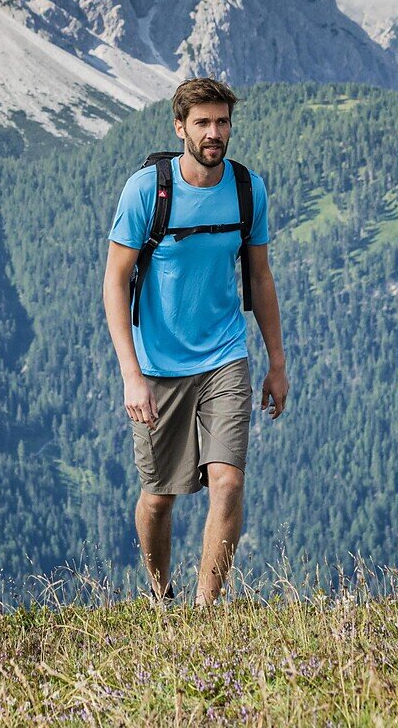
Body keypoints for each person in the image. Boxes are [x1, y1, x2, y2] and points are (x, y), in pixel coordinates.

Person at [102, 77, 288, 606]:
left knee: (228, 482)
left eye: (222, 122)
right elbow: (114, 281)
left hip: (225, 355)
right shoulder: (147, 191)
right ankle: (162, 599)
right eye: (202, 123)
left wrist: (277, 363)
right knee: (159, 497)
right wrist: (131, 375)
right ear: (179, 127)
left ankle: (205, 610)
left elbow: (260, 278)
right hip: (158, 366)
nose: (214, 133)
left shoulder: (248, 190)